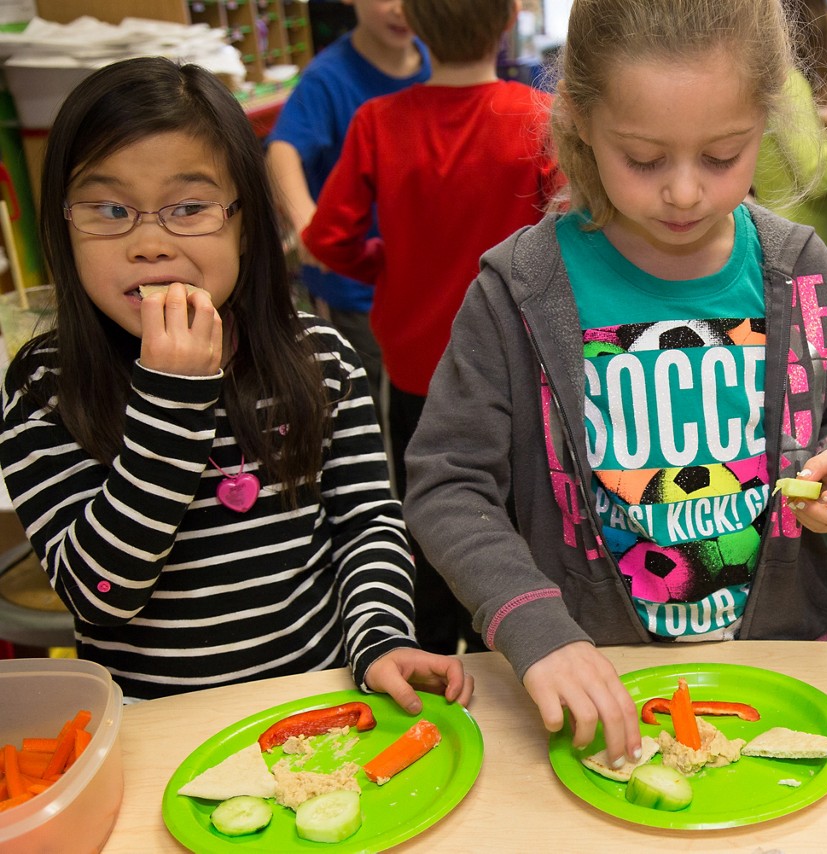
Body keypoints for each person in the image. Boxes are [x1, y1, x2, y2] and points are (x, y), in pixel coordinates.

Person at [403, 0, 827, 768]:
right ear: (582, 121)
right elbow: (445, 484)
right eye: (646, 159)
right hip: (601, 687)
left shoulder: (803, 272)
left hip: (777, 673)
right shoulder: (517, 291)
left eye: (722, 156)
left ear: (766, 117)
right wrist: (536, 629)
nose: (685, 192)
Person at [0, 57, 473, 713]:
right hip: (155, 727)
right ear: (64, 224)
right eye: (110, 209)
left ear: (245, 222)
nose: (148, 243)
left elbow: (365, 526)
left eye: (189, 207)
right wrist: (171, 401)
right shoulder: (46, 385)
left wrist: (381, 638)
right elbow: (100, 591)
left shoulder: (322, 359)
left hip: (317, 703)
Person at [303, 0, 561, 655]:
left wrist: (383, 263)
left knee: (428, 508)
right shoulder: (537, 117)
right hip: (521, 363)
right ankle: (521, 637)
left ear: (414, 25)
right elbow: (570, 234)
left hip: (418, 363)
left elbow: (327, 238)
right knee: (525, 512)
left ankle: (433, 644)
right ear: (506, 21)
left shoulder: (377, 122)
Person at [266, 0, 432, 427]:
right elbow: (282, 151)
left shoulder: (440, 63)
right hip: (360, 292)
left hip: (426, 287)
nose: (400, 9)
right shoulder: (328, 78)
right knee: (375, 414)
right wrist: (306, 222)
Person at [751, 0, 827, 254]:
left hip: (779, 234)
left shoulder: (763, 79)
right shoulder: (788, 84)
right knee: (808, 297)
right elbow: (818, 176)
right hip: (803, 245)